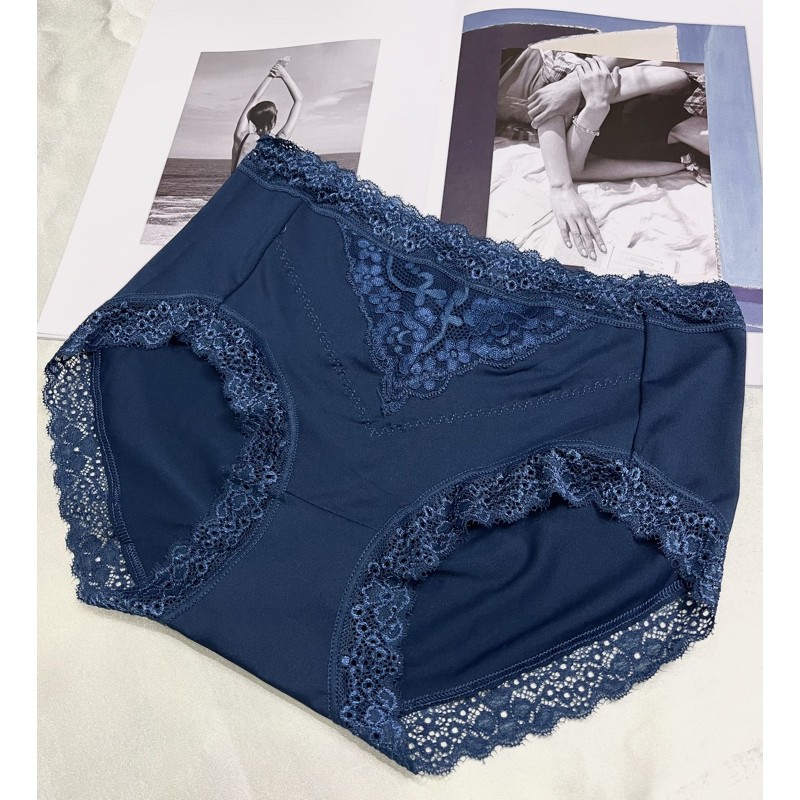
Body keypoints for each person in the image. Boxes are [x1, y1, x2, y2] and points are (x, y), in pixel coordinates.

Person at [497, 49, 709, 259]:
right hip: (523, 73)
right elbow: (552, 95)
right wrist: (581, 94)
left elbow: (576, 170)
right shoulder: (674, 84)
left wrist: (595, 109)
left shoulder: (677, 160)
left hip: (519, 110)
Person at [230, 59, 304, 173]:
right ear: (273, 121)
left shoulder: (241, 137)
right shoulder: (279, 141)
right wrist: (283, 74)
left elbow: (254, 98)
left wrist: (271, 74)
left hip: (232, 185)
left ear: (253, 118)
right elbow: (299, 100)